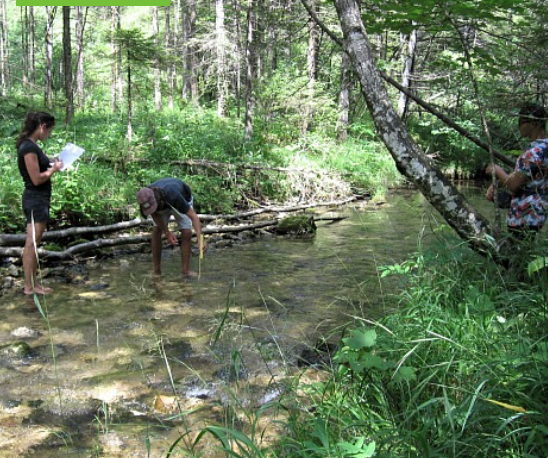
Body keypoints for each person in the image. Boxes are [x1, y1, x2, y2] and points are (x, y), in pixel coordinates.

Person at [16, 112, 64, 295]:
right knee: (32, 244)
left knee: (34, 243)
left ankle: (34, 284)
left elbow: (41, 164)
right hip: (35, 199)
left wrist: (53, 161)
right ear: (42, 126)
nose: (49, 134)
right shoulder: (29, 147)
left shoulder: (32, 145)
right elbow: (36, 179)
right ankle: (29, 287)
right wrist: (54, 169)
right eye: (49, 130)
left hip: (39, 199)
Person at [486, 103, 548, 237]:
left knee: (516, 249)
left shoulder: (534, 152)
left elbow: (514, 184)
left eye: (521, 121)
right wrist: (498, 184)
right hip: (536, 216)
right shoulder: (543, 148)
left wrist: (497, 170)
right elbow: (527, 178)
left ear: (533, 123)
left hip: (524, 218)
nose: (519, 126)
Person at [137, 178, 205, 277]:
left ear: (156, 199)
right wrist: (167, 232)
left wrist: (200, 238)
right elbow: (154, 214)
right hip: (161, 204)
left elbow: (193, 216)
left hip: (182, 198)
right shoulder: (144, 199)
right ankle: (157, 271)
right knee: (156, 231)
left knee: (187, 232)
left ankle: (185, 271)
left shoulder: (174, 195)